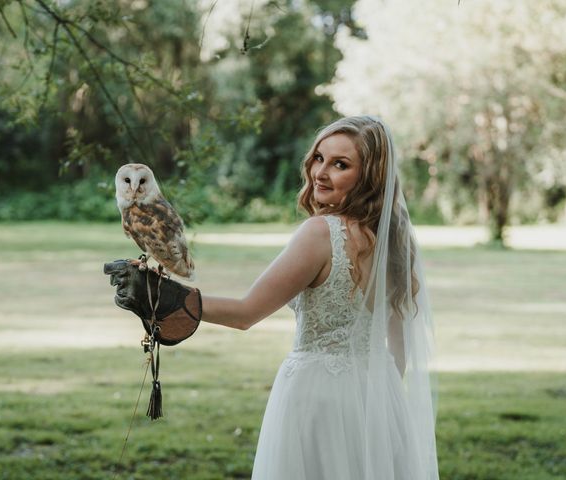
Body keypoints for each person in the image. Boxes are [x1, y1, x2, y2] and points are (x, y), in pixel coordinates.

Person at [107, 115, 439, 480]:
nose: (321, 173)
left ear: (369, 176)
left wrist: (166, 296)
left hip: (318, 399)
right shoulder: (393, 241)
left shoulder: (320, 233)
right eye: (318, 158)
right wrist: (380, 403)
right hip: (379, 401)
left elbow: (246, 313)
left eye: (340, 164)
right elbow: (399, 350)